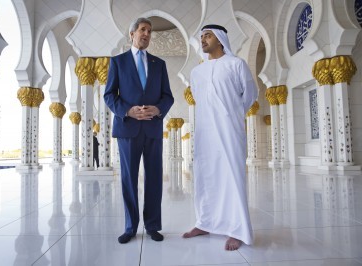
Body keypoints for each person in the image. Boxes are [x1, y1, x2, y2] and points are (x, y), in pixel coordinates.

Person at [183, 24, 258, 251]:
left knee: (231, 178)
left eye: (208, 35)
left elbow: (249, 95)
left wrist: (231, 115)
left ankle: (237, 230)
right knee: (205, 177)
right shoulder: (197, 72)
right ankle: (205, 222)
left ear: (221, 39)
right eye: (202, 36)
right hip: (205, 133)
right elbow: (199, 98)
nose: (203, 39)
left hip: (229, 132)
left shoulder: (236, 65)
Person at [104, 17, 174, 244]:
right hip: (128, 129)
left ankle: (153, 225)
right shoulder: (118, 62)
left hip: (153, 128)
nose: (147, 34)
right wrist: (128, 111)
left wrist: (158, 109)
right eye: (143, 30)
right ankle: (130, 227)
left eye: (150, 31)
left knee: (154, 178)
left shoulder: (159, 64)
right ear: (132, 33)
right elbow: (109, 96)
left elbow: (168, 96)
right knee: (128, 179)